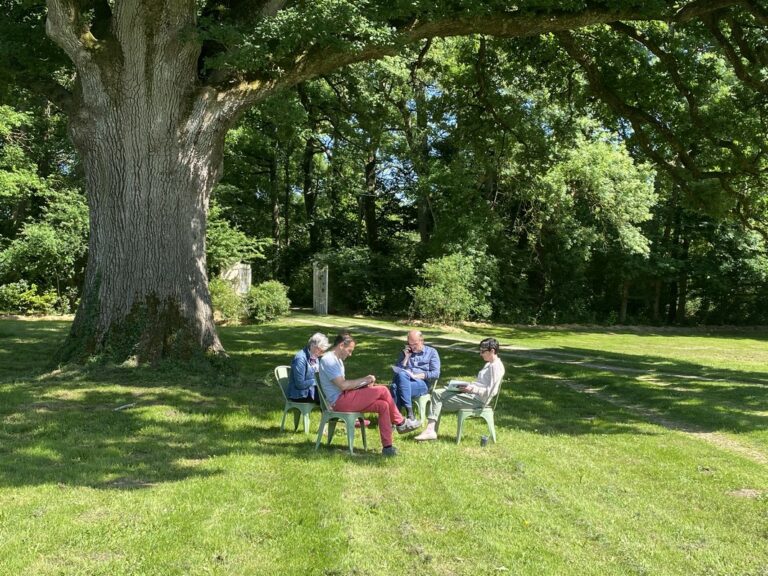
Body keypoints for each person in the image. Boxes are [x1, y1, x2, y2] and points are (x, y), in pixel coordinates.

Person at [319, 332, 421, 456]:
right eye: (349, 350)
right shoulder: (329, 360)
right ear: (341, 345)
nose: (350, 354)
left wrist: (364, 384)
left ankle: (387, 447)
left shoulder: (337, 360)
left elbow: (343, 386)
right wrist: (364, 380)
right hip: (339, 402)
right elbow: (343, 385)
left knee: (383, 405)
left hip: (344, 398)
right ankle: (400, 423)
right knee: (383, 390)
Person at [414, 337, 505, 442]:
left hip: (478, 400)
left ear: (492, 351)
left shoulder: (496, 367)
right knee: (437, 393)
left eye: (483, 351)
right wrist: (466, 387)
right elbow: (482, 384)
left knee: (437, 400)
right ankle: (431, 431)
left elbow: (492, 392)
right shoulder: (489, 364)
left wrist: (472, 390)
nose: (481, 354)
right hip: (472, 395)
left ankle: (431, 431)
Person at [390, 330, 440, 425]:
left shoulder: (432, 352)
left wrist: (417, 376)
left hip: (422, 383)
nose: (412, 347)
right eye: (410, 344)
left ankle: (397, 420)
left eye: (415, 344)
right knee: (397, 384)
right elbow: (397, 371)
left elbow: (436, 373)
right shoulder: (406, 352)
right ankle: (406, 417)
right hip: (405, 382)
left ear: (422, 341)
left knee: (395, 387)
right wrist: (406, 358)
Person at [287, 332, 329, 403]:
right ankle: (330, 413)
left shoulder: (314, 355)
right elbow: (300, 384)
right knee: (328, 397)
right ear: (313, 345)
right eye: (320, 350)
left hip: (311, 390)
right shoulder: (300, 359)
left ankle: (329, 412)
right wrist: (317, 381)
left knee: (332, 392)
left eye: (323, 351)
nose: (321, 353)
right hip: (300, 394)